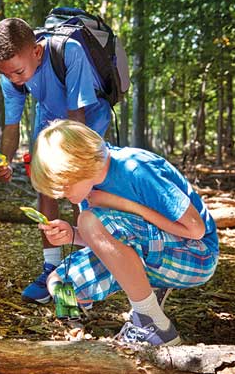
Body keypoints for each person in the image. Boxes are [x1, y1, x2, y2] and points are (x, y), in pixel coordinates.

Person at [30, 119, 219, 346]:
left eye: (64, 184)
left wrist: (122, 204)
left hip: (197, 254)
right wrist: (72, 234)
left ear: (79, 165)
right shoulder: (89, 186)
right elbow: (109, 241)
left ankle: (152, 323)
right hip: (150, 250)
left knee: (89, 220)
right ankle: (75, 321)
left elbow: (195, 230)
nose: (61, 194)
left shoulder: (135, 168)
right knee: (59, 282)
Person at [0, 17, 111, 304]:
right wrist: (5, 160)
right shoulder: (12, 76)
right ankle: (52, 267)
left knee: (81, 189)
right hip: (48, 118)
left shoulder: (69, 52)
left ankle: (84, 271)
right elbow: (11, 126)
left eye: (18, 72)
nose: (15, 80)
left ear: (37, 52)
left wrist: (70, 165)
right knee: (45, 186)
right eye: (7, 74)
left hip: (86, 119)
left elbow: (77, 117)